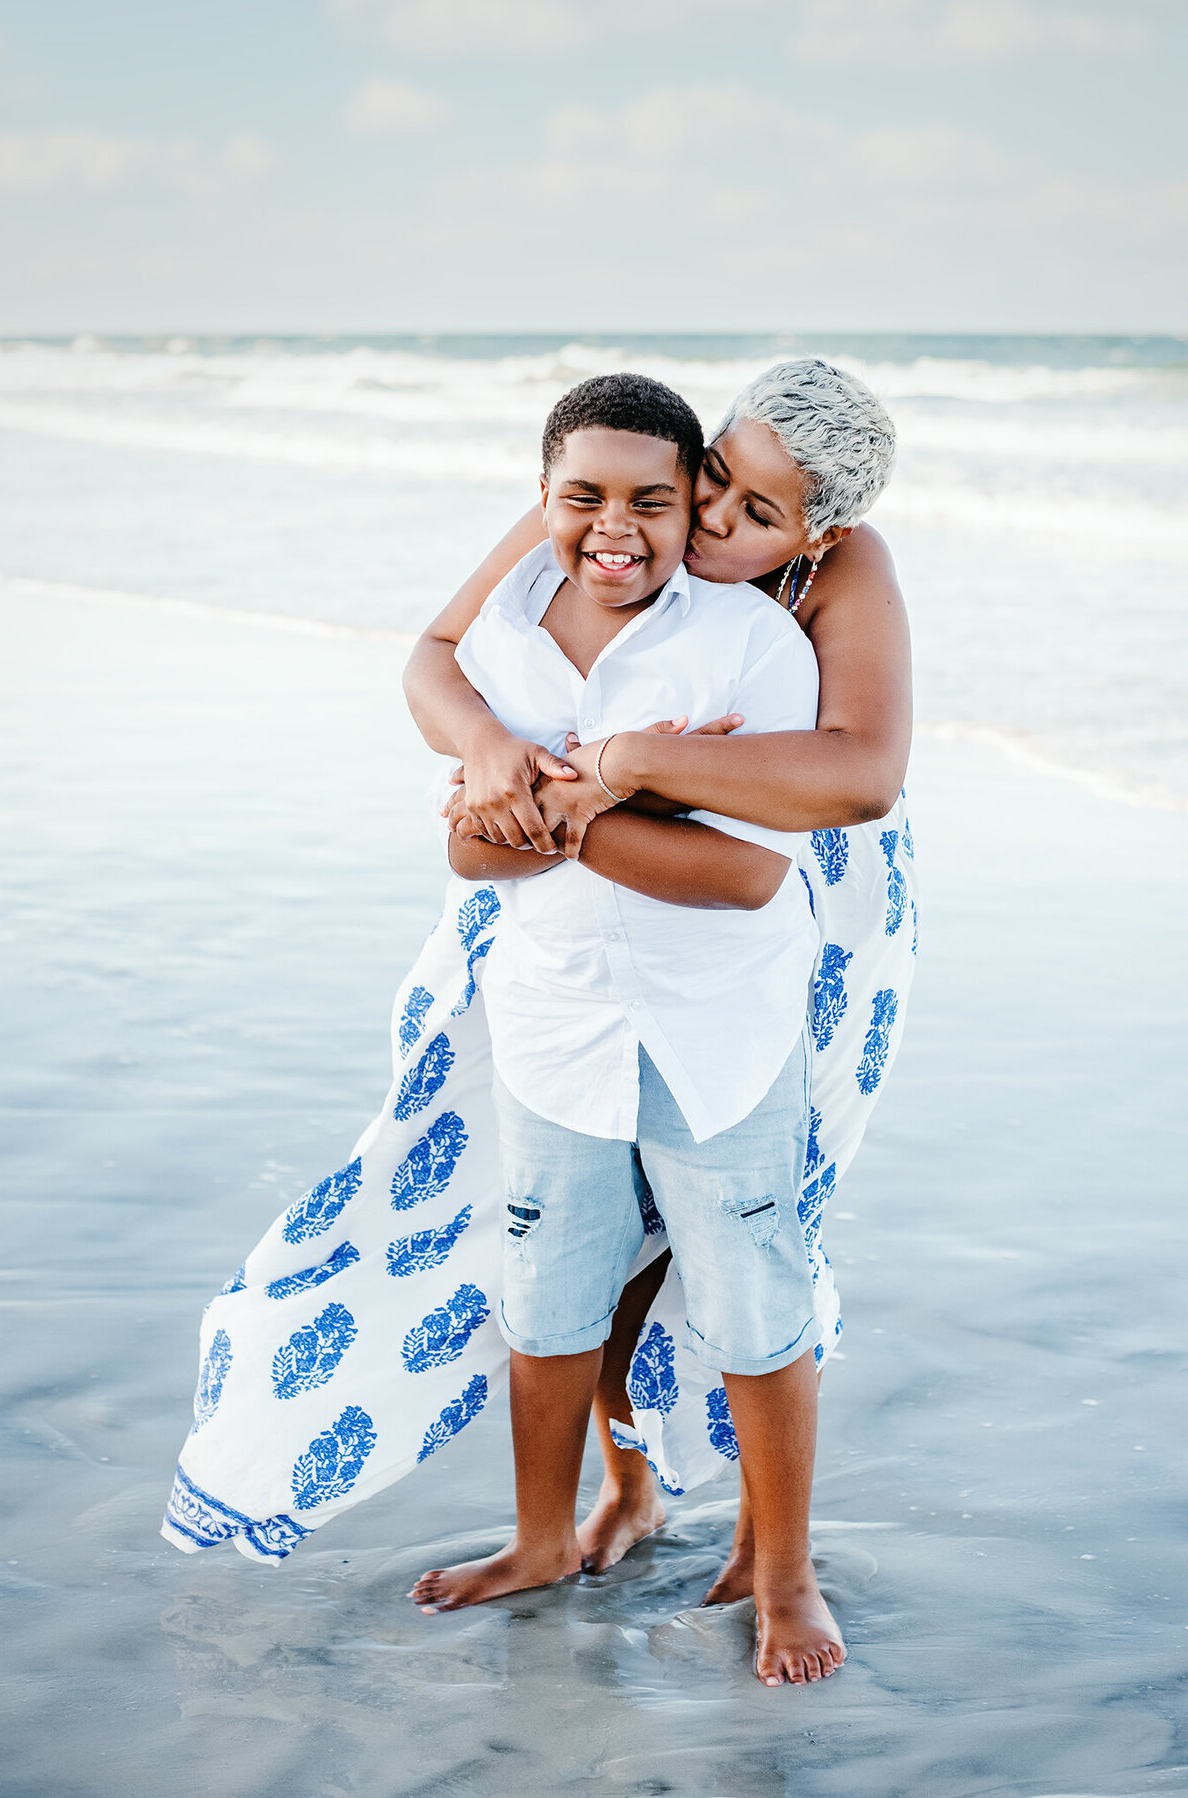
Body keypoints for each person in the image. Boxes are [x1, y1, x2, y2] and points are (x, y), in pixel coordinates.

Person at [161, 358, 916, 1691]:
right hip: (569, 935)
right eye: (711, 480)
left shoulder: (823, 598)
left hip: (796, 883)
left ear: (823, 532)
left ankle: (775, 1548)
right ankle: (605, 1505)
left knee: (749, 1242)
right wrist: (505, 769)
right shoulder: (610, 513)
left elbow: (847, 784)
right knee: (581, 1246)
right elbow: (441, 658)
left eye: (749, 509)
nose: (709, 514)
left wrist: (606, 779)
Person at [408, 373, 831, 1690]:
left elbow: (751, 873)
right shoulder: (508, 641)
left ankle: (786, 1571)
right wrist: (530, 797)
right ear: (541, 500)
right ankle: (542, 1533)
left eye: (654, 499)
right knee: (549, 1285)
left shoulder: (752, 648)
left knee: (754, 1287)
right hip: (557, 1022)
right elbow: (476, 859)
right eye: (584, 495)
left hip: (723, 1026)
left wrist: (572, 814)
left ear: (691, 501)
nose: (617, 526)